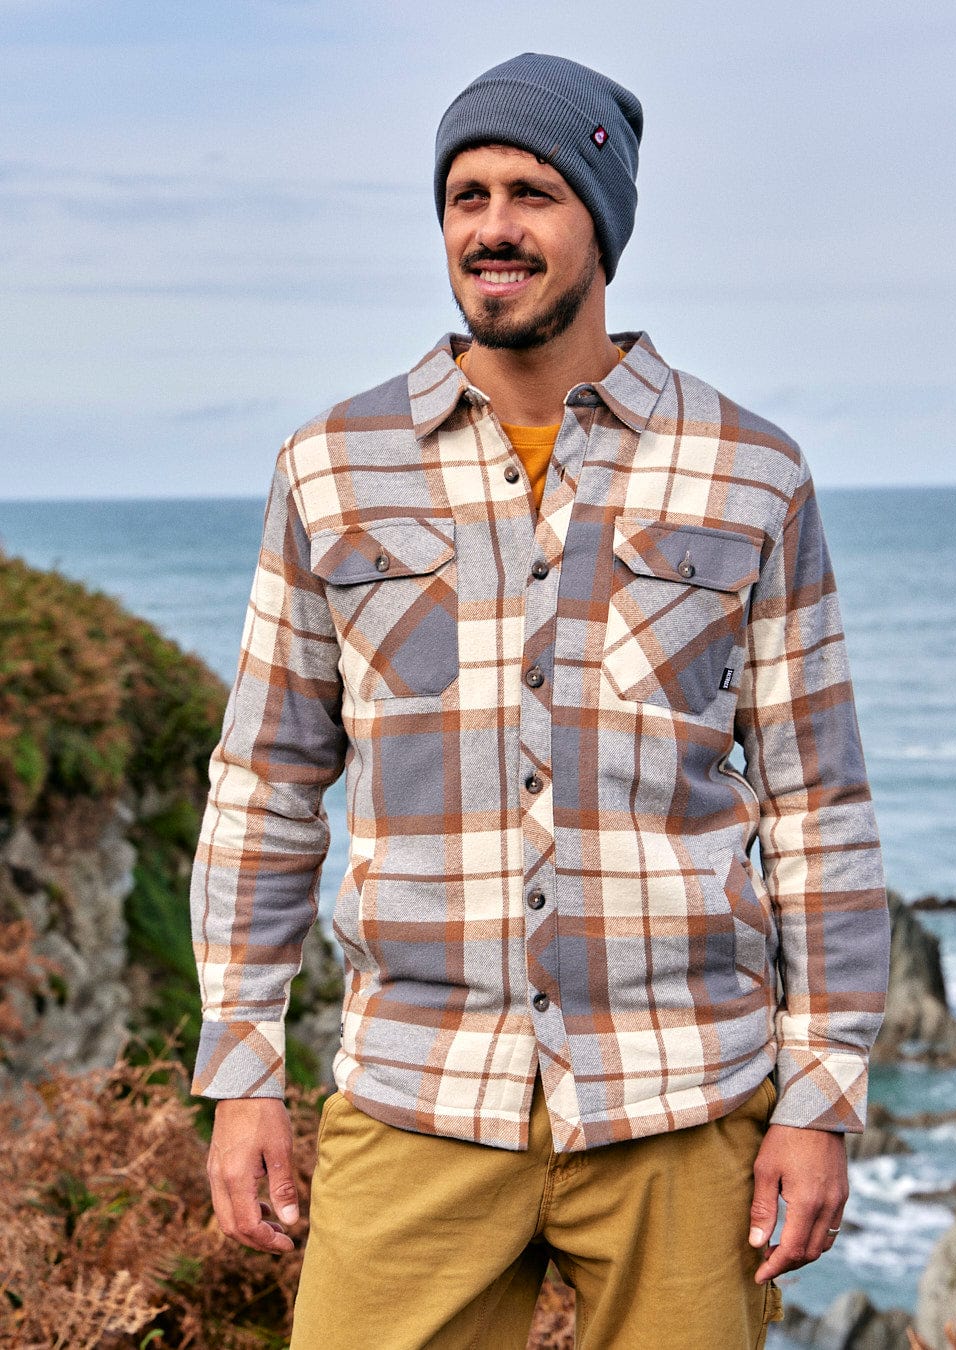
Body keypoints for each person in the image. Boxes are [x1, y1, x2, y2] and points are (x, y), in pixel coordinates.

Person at [190, 52, 891, 1350]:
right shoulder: (331, 467)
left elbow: (818, 806)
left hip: (687, 1109)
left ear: (602, 221)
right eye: (465, 195)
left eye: (532, 191)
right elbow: (266, 784)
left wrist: (821, 1095)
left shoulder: (751, 472)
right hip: (413, 1097)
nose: (493, 227)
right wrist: (240, 1071)